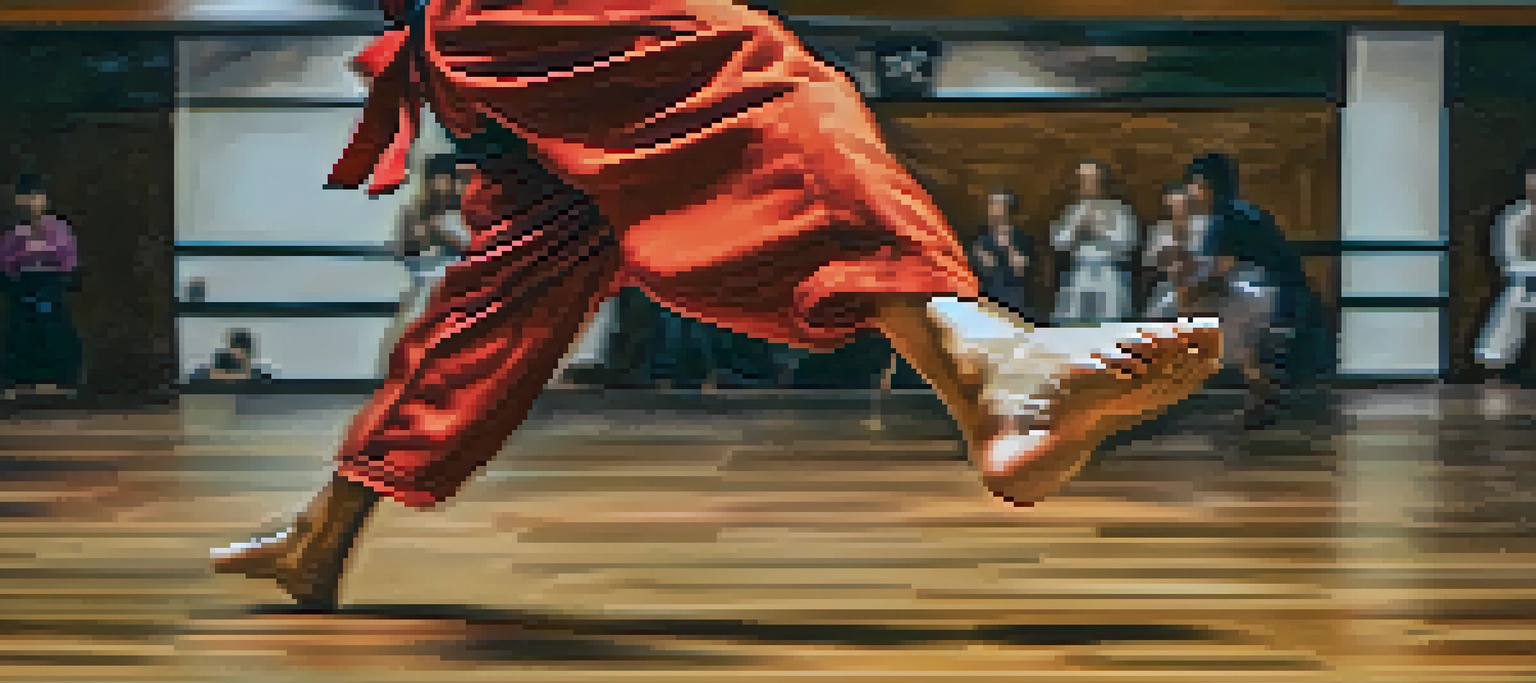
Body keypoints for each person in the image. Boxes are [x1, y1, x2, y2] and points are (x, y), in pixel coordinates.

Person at [211, 0, 1224, 610]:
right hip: (495, 17)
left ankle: (320, 536)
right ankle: (985, 367)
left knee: (496, 306)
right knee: (757, 74)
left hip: (470, 63)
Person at [1184, 153, 1328, 429]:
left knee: (1227, 314)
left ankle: (1261, 393)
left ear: (1210, 187)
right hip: (1282, 293)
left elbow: (1221, 272)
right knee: (1231, 321)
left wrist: (1192, 293)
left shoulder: (1227, 218)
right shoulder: (1237, 214)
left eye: (1196, 185)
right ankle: (1260, 396)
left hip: (1278, 295)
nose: (1191, 192)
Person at [377, 153, 471, 373]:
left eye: (456, 179)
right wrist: (432, 233)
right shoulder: (414, 212)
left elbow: (478, 249)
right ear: (430, 180)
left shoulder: (464, 213)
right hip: (426, 288)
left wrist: (447, 237)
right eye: (446, 178)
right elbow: (405, 247)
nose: (452, 185)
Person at [0, 173, 83, 398]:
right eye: (26, 198)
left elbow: (69, 260)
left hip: (51, 285)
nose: (32, 203)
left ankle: (59, 379)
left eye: (36, 198)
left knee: (54, 328)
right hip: (23, 286)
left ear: (44, 200)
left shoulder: (59, 228)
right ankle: (20, 381)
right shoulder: (12, 232)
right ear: (18, 201)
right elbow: (6, 263)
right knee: (20, 330)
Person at [1050, 160, 1139, 324]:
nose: (1088, 185)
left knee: (1109, 323)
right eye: (1083, 180)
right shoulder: (1072, 210)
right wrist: (1076, 230)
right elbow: (1057, 242)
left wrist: (1099, 229)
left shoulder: (1119, 209)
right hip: (1080, 273)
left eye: (1092, 179)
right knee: (1074, 322)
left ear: (1102, 181)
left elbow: (1128, 241)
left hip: (1109, 272)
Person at [1474, 149, 1536, 384]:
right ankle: (1495, 362)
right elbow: (1507, 258)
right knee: (1513, 299)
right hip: (1525, 281)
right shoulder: (1514, 216)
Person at [1142, 182, 1214, 321]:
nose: (1177, 210)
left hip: (1203, 286)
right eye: (1172, 207)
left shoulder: (1205, 225)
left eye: (1180, 205)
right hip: (1169, 285)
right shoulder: (1160, 229)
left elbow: (1210, 259)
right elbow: (1150, 262)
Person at [969, 188, 1038, 322]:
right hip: (988, 302)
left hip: (1016, 302)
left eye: (999, 206)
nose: (995, 210)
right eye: (992, 205)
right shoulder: (982, 241)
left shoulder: (1021, 239)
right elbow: (981, 271)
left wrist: (1007, 246)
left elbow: (1020, 271)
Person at [189, 328, 275, 384]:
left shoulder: (253, 372)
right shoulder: (222, 358)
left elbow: (260, 377)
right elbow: (203, 374)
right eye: (236, 350)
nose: (239, 355)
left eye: (242, 352)